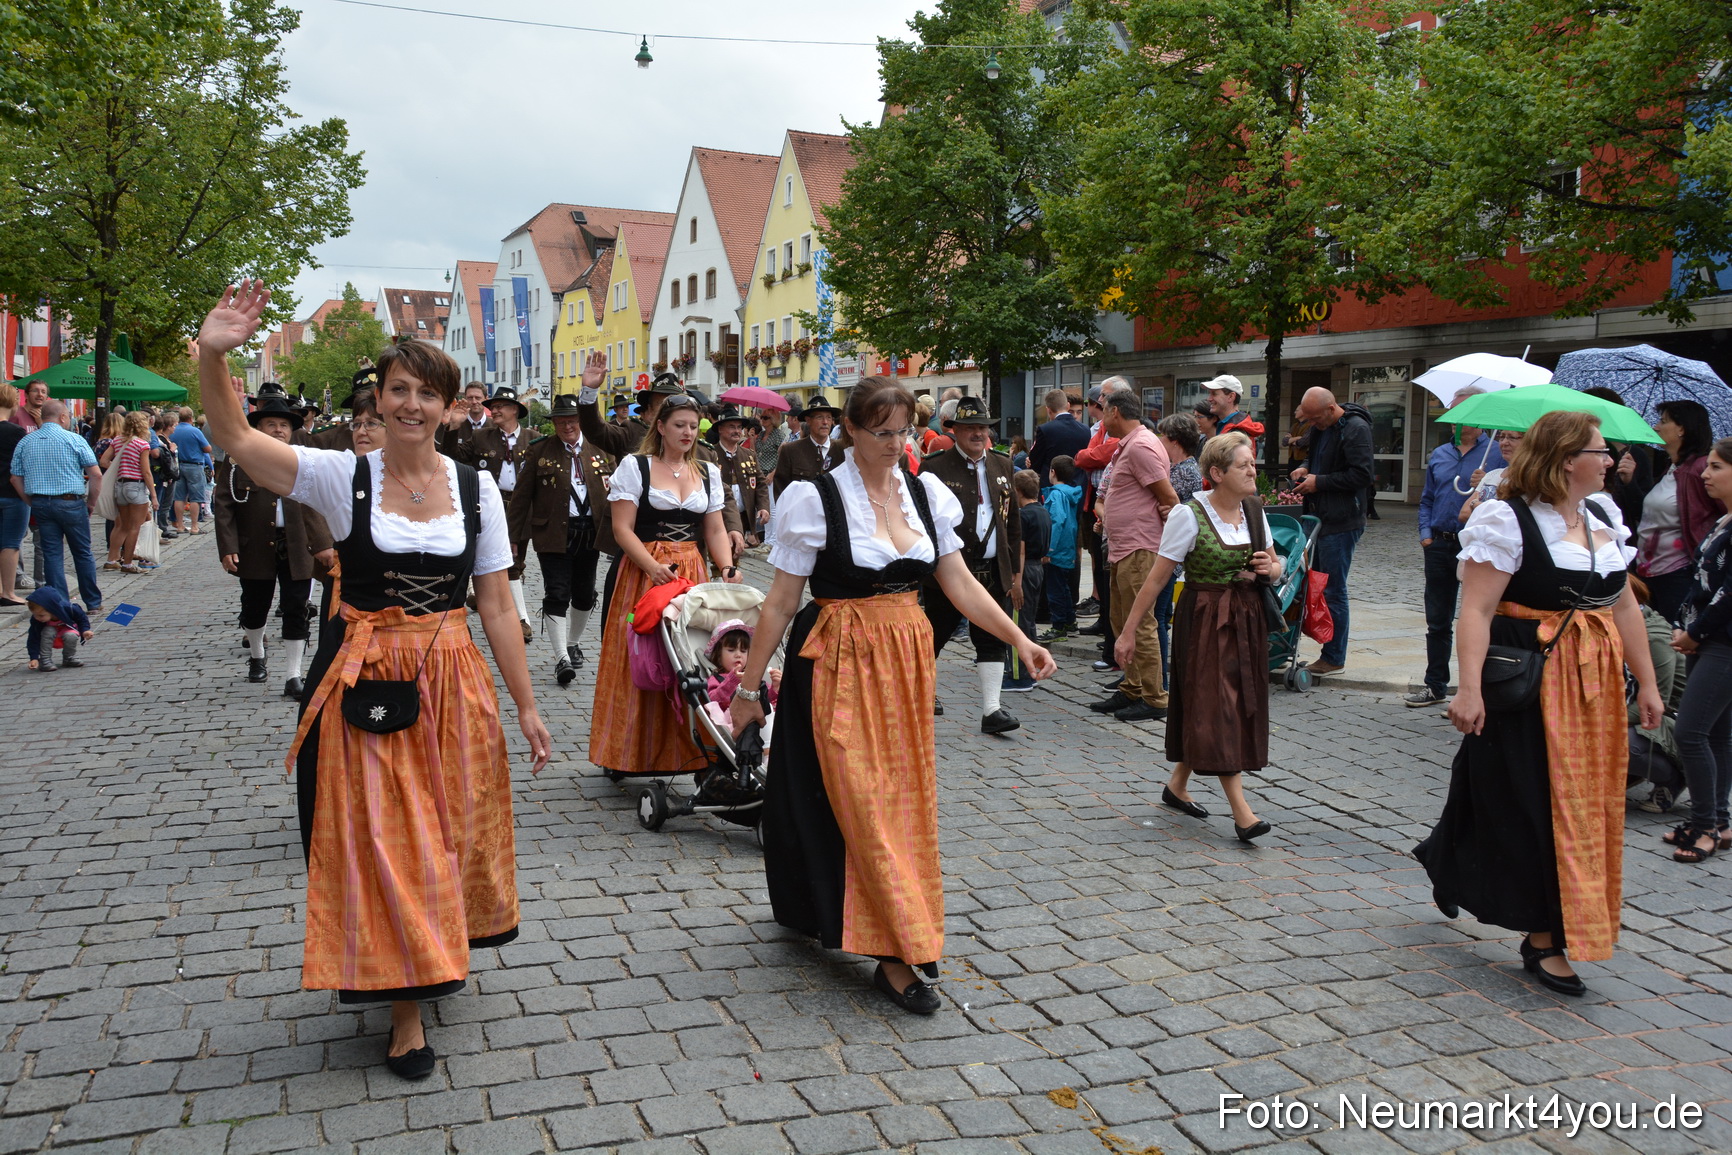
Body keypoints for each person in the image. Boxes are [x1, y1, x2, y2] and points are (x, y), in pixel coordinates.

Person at [195, 281, 551, 1079]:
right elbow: (235, 438)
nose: (411, 405)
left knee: (447, 831)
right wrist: (214, 354)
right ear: (380, 399)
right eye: (399, 390)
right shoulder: (340, 475)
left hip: (453, 676)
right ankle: (405, 1010)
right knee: (393, 838)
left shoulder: (476, 490)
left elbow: (497, 604)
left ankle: (429, 946)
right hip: (370, 678)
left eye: (427, 393)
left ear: (449, 407)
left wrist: (527, 705)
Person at [729, 376, 1054, 1016]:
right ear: (850, 428)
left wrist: (1020, 638)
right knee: (861, 798)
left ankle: (869, 920)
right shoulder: (814, 499)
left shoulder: (926, 494)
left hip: (905, 665)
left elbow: (959, 583)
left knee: (900, 800)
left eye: (903, 431)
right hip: (837, 663)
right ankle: (896, 949)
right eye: (881, 432)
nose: (895, 443)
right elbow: (781, 602)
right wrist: (747, 687)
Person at [1415, 409, 1661, 997]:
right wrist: (1468, 688)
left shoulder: (1603, 515)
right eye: (1600, 451)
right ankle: (1544, 936)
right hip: (1529, 682)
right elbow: (1476, 610)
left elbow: (1625, 607)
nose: (1611, 460)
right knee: (1529, 803)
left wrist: (1648, 684)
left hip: (1592, 688)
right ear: (1567, 460)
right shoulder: (1507, 518)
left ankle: (1450, 862)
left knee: (1571, 803)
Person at [1115, 432, 1279, 839]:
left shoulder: (1254, 511)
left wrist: (1269, 568)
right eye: (1244, 465)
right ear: (1217, 473)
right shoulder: (1188, 515)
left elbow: (1277, 566)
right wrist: (1128, 633)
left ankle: (1177, 785)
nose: (1252, 471)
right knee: (1218, 707)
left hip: (1247, 619)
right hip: (1205, 620)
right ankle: (1242, 813)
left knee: (1221, 705)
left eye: (1252, 463)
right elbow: (1156, 579)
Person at [592, 391, 740, 781]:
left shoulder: (707, 471)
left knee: (692, 658)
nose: (688, 432)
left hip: (691, 570)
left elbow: (715, 529)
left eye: (693, 426)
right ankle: (624, 752)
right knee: (641, 657)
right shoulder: (635, 466)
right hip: (645, 571)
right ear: (660, 427)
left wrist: (726, 566)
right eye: (679, 425)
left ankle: (692, 749)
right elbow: (622, 529)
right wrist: (651, 566)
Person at [213, 394, 335, 696]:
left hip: (298, 544)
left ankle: (293, 674)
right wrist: (228, 546)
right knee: (255, 606)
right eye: (272, 424)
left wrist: (324, 543)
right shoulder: (239, 460)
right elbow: (224, 504)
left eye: (284, 425)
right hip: (254, 544)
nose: (278, 429)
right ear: (260, 428)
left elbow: (319, 503)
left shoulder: (305, 460)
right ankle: (257, 656)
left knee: (297, 608)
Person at [921, 396, 1025, 734]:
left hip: (993, 569)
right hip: (948, 572)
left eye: (983, 427)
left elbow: (1012, 523)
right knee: (933, 636)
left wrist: (1015, 573)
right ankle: (923, 693)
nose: (978, 433)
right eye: (970, 428)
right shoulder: (935, 467)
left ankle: (992, 710)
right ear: (955, 430)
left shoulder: (1002, 465)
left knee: (992, 637)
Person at [508, 393, 617, 686]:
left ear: (581, 421)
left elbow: (618, 493)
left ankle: (573, 642)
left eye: (572, 420)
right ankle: (561, 658)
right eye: (560, 422)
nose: (567, 426)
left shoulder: (601, 449)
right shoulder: (539, 450)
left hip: (591, 533)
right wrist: (513, 537)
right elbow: (520, 499)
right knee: (557, 593)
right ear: (554, 423)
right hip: (553, 534)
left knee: (585, 594)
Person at [1409, 401, 1505, 706]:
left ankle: (1478, 690)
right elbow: (1427, 498)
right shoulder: (1440, 453)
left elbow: (1512, 494)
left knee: (1479, 618)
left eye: (1464, 415)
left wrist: (1487, 483)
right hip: (1440, 543)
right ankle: (1435, 684)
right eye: (1453, 415)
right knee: (1438, 619)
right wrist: (1426, 534)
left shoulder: (1497, 451)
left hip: (1477, 545)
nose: (1456, 421)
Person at [1090, 390, 1177, 723]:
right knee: (1122, 620)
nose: (1100, 418)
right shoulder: (1131, 444)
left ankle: (1154, 698)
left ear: (1115, 412)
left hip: (1140, 548)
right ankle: (1133, 688)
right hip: (1125, 547)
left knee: (1140, 624)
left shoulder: (1140, 446)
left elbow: (1168, 497)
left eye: (1103, 411)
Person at [1665, 435, 1732, 864]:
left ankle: (1705, 825)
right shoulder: (1724, 520)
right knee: (1717, 734)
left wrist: (1695, 632)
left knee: (1689, 732)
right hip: (1710, 639)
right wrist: (1683, 624)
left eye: (1717, 467)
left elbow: (1729, 595)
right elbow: (1702, 582)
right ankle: (1718, 821)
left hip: (1723, 642)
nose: (1705, 474)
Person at [1289, 386, 1374, 676]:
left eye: (1315, 418)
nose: (1312, 424)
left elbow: (1362, 474)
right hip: (1319, 516)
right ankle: (1326, 650)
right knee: (1317, 587)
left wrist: (1319, 482)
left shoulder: (1356, 429)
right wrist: (1305, 468)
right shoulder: (1321, 426)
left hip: (1342, 520)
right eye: (1309, 419)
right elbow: (1316, 458)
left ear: (1331, 408)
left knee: (1333, 590)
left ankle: (1334, 657)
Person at [10, 400, 102, 610]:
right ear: (62, 417)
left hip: (41, 502)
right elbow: (96, 475)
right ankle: (93, 602)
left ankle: (59, 603)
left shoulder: (26, 441)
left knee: (51, 553)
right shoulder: (74, 439)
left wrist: (31, 501)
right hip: (71, 502)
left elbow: (15, 478)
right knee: (82, 552)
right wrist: (91, 503)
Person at [1634, 398, 1716, 622]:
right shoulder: (1673, 468)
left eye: (1663, 421)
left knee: (1672, 636)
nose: (1656, 427)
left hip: (1678, 573)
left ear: (1682, 429)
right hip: (1652, 572)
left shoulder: (1700, 469)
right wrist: (1630, 482)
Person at [464, 385, 536, 641]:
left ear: (514, 410)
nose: (493, 410)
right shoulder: (481, 437)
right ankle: (518, 618)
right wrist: (449, 428)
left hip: (521, 507)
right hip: (488, 506)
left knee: (516, 562)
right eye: (492, 407)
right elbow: (453, 457)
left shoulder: (533, 438)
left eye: (499, 406)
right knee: (481, 558)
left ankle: (518, 617)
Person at [1153, 412, 1205, 689]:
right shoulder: (1179, 467)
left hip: (1171, 552)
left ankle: (1159, 677)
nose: (1159, 440)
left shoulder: (1184, 470)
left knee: (1157, 617)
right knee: (1159, 615)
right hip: (1168, 547)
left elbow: (1176, 509)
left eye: (1163, 436)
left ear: (1174, 440)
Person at [1003, 469, 1048, 692]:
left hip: (1024, 570)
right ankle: (1032, 669)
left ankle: (1019, 675)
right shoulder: (1042, 511)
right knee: (1028, 621)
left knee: (1016, 622)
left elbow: (1019, 551)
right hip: (1037, 568)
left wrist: (1016, 583)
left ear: (1017, 491)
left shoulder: (1022, 515)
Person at [98, 411, 159, 575]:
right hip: (136, 486)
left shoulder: (117, 441)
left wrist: (119, 469)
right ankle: (128, 563)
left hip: (120, 485)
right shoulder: (142, 444)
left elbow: (103, 461)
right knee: (134, 527)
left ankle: (111, 560)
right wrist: (153, 495)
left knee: (122, 525)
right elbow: (146, 472)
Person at [713, 407, 771, 546]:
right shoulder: (710, 454)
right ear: (720, 429)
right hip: (718, 516)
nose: (737, 431)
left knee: (736, 553)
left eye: (739, 427)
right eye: (732, 427)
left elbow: (760, 483)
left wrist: (763, 507)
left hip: (743, 516)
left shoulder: (749, 455)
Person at [1041, 456, 1084, 640]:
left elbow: (1057, 521)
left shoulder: (1056, 495)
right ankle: (1069, 620)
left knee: (1055, 590)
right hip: (1067, 547)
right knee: (1063, 587)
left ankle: (1058, 627)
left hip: (1057, 549)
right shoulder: (1069, 493)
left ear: (1052, 472)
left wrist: (1048, 548)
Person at [773, 393, 846, 497]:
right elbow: (781, 490)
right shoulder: (791, 451)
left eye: (829, 417)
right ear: (808, 420)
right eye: (820, 417)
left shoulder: (841, 449)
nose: (825, 422)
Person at [0, 385, 30, 609]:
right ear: (12, 403)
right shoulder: (16, 432)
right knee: (10, 544)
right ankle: (8, 592)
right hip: (13, 495)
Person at [1029, 389, 1090, 487]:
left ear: (1048, 410)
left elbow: (1035, 461)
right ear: (1068, 406)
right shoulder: (1086, 430)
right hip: (1078, 486)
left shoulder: (1045, 429)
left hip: (1052, 486)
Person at [24, 586, 92, 671]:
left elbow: (82, 619)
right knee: (49, 630)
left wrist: (85, 630)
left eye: (41, 615)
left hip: (66, 633)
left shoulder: (70, 609)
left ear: (52, 609)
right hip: (47, 637)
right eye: (34, 615)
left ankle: (69, 657)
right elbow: (33, 637)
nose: (37, 618)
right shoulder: (37, 620)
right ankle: (45, 660)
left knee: (71, 635)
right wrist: (34, 657)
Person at [169, 406, 213, 534]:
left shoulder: (174, 430)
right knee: (196, 497)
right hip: (194, 466)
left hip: (178, 465)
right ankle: (194, 527)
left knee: (179, 497)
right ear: (191, 418)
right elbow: (207, 449)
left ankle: (180, 525)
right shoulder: (195, 431)